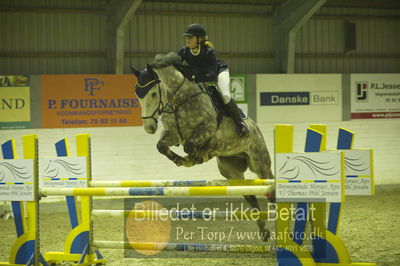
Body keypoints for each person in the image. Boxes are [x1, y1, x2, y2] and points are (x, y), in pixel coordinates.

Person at [178, 23, 249, 137]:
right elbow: (175, 63)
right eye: (186, 37)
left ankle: (240, 124)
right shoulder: (184, 51)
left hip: (219, 72)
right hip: (200, 76)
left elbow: (211, 76)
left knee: (225, 96)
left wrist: (192, 77)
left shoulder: (209, 52)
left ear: (199, 39)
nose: (187, 40)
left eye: (190, 37)